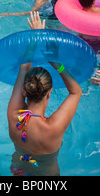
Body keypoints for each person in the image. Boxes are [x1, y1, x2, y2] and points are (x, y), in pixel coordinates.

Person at [8, 11, 82, 176]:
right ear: (49, 93)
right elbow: (76, 92)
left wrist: (35, 37)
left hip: (18, 169)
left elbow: (24, 67)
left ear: (24, 91)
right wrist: (56, 62)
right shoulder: (52, 127)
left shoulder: (14, 116)